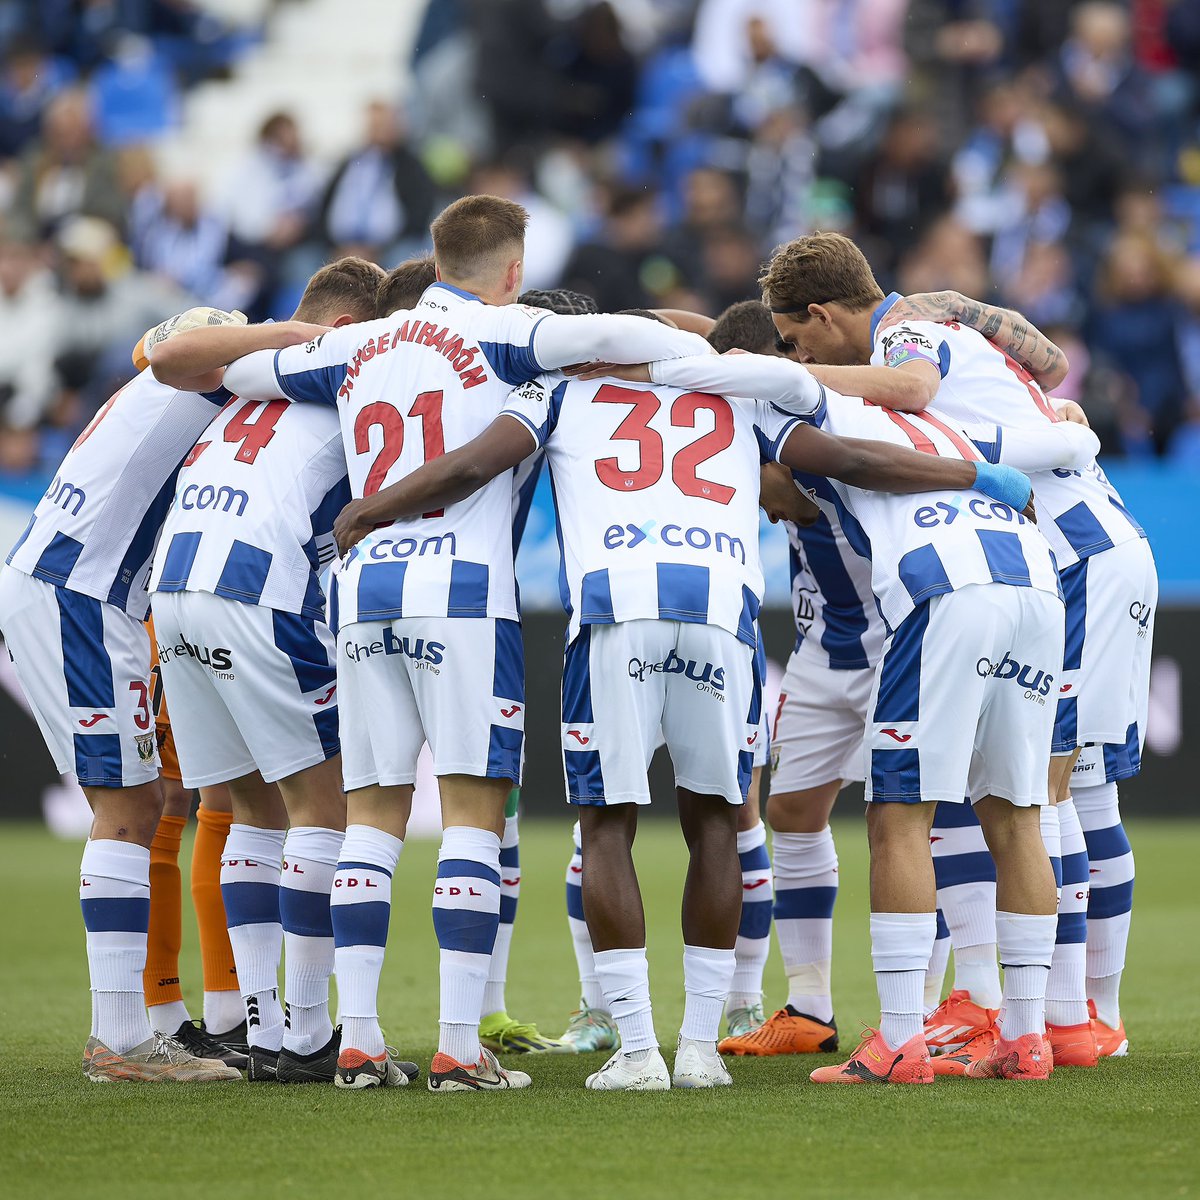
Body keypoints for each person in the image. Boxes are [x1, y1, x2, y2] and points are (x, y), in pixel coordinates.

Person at [329, 314, 1050, 1091]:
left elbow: (470, 464)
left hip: (615, 612)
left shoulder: (561, 391)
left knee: (606, 829)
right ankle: (702, 1047)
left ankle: (638, 1050)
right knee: (718, 821)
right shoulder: (739, 396)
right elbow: (848, 459)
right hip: (720, 617)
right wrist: (975, 476)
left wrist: (374, 507)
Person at [216, 194, 718, 1092]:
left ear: (433, 253)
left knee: (371, 812)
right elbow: (674, 345)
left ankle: (361, 1042)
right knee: (472, 815)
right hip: (462, 593)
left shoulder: (359, 344)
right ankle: (456, 1046)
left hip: (363, 588)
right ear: (515, 269)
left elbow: (245, 378)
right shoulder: (513, 332)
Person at [616, 330, 1100, 1083]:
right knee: (1016, 813)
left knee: (899, 816)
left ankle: (903, 1040)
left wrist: (631, 362)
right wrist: (1063, 416)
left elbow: (818, 429)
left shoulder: (812, 400)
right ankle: (1027, 1035)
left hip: (944, 591)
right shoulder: (948, 415)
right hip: (1034, 590)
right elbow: (1065, 440)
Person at [0, 305, 316, 1082]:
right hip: (81, 585)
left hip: (101, 589)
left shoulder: (234, 362)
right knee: (130, 809)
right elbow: (168, 348)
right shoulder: (233, 337)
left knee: (158, 801)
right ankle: (120, 1042)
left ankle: (158, 1025)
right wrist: (288, 336)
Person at [145, 258, 420, 1085]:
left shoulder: (246, 372)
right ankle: (303, 1036)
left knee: (246, 811)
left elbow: (166, 356)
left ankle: (263, 1030)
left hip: (179, 586)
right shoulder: (358, 368)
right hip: (259, 586)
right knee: (321, 810)